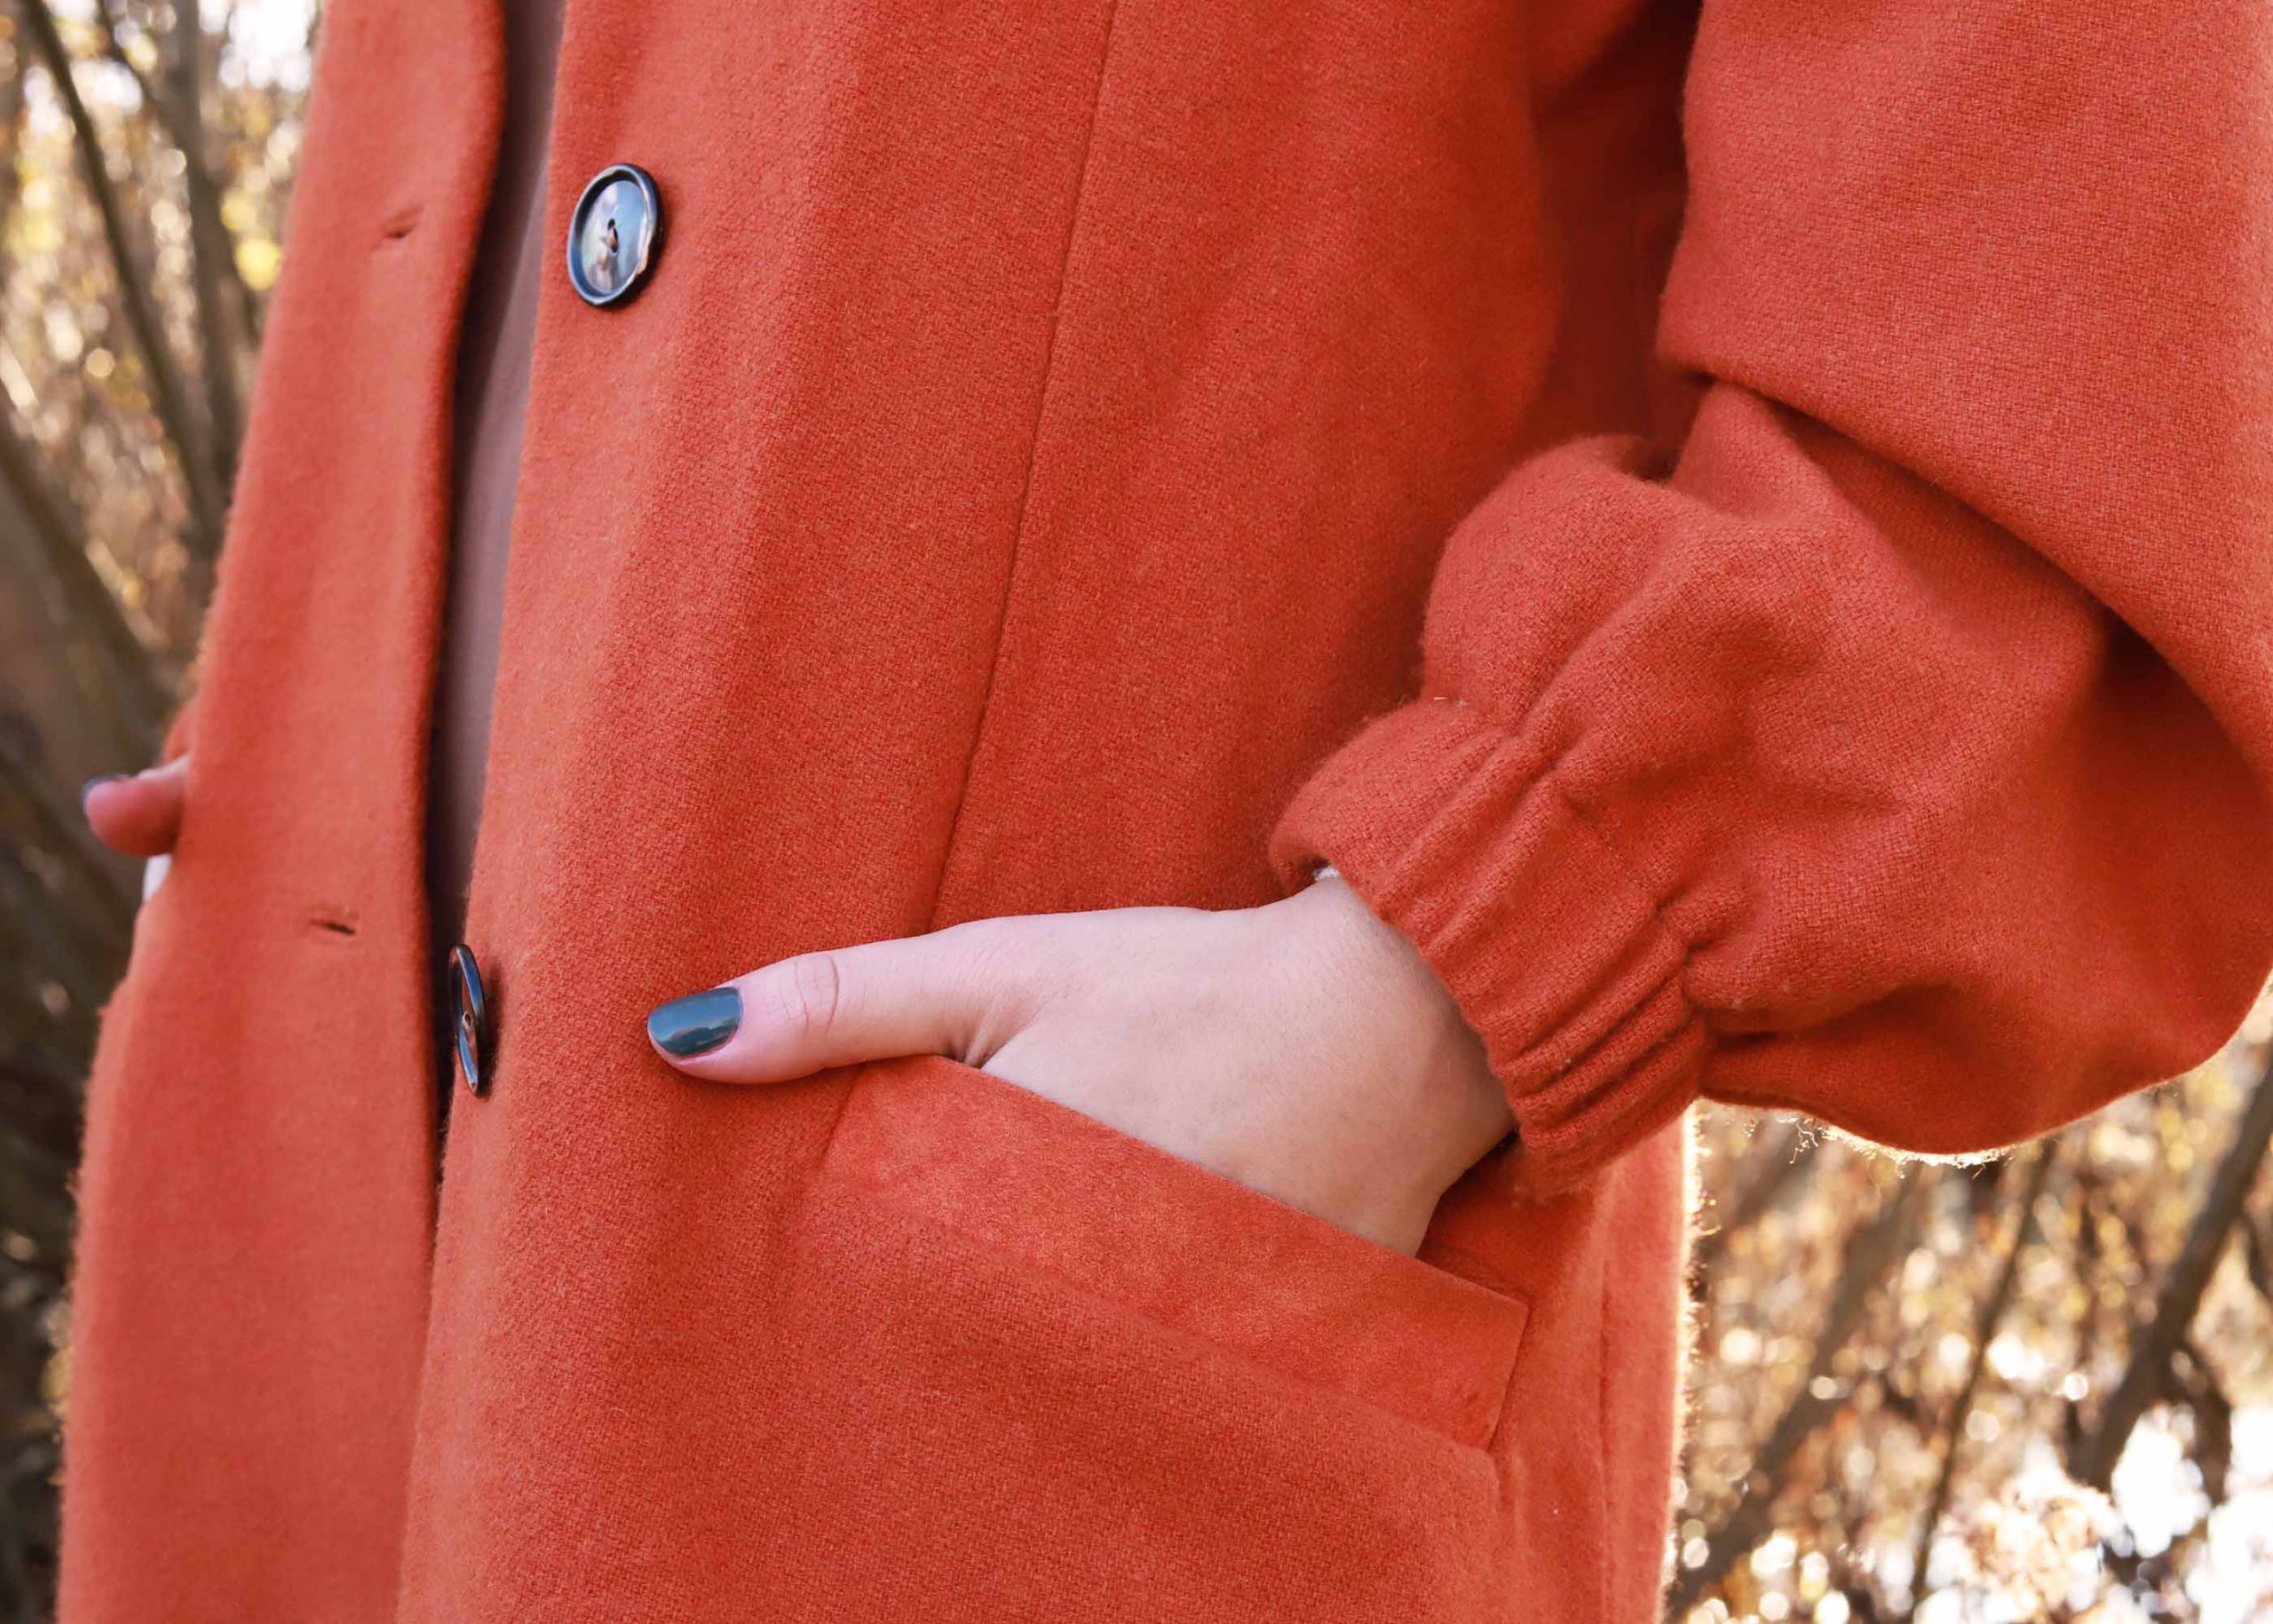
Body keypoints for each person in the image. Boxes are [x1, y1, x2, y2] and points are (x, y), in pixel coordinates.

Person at [62, 0, 2273, 1620]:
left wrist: (1476, 950)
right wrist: (333, 710)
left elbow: (2081, 272)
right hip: (302, 1290)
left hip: (1053, 1406)